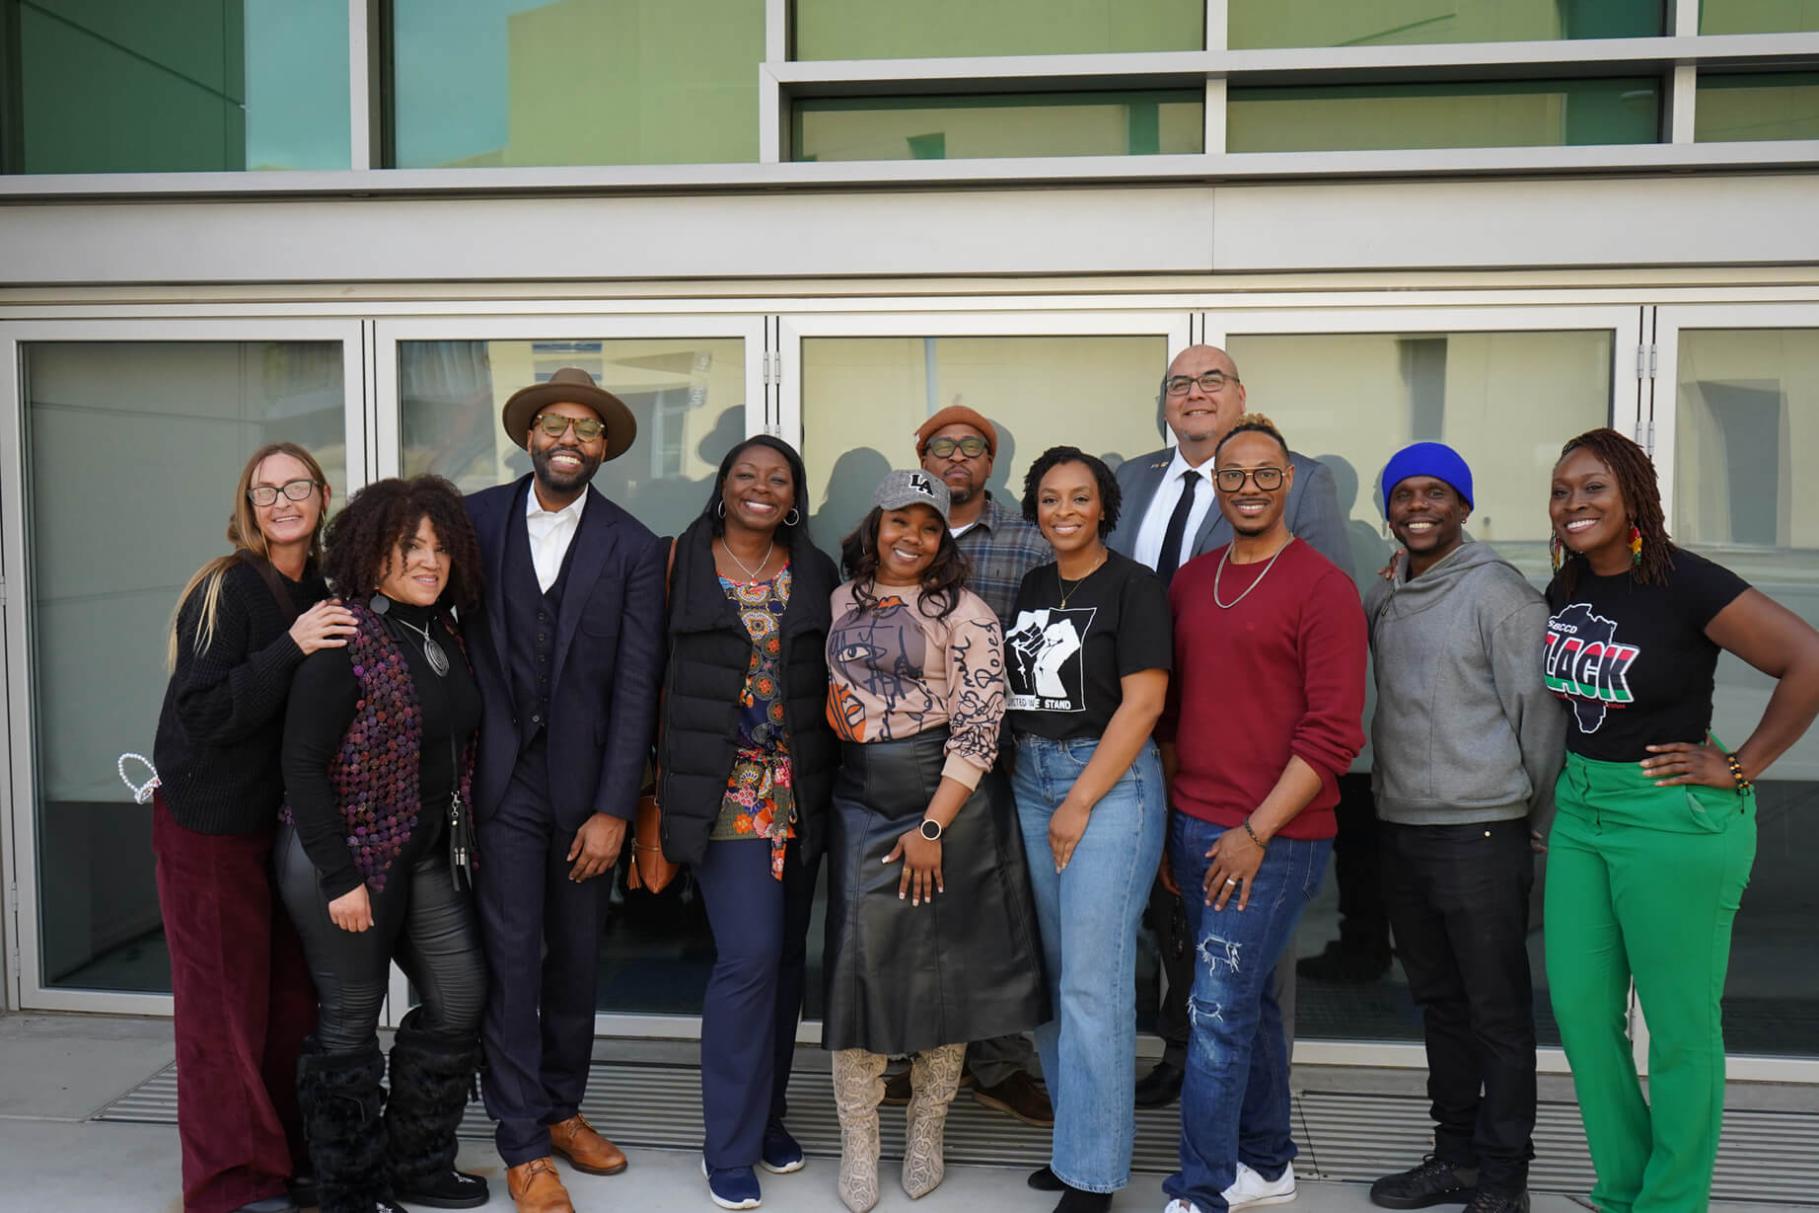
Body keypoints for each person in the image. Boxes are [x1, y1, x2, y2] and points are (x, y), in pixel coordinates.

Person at [1543, 427, 1819, 1213]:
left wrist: (1739, 765)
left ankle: (1671, 1201)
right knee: (1582, 1014)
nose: (1573, 503)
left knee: (1677, 1026)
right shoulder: (1567, 585)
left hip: (1670, 817)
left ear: (1633, 491)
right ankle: (1625, 1184)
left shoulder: (1684, 582)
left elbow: (1806, 658)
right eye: (1561, 491)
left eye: (1591, 487)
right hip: (1581, 813)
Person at [1108, 344, 1350, 1108]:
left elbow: (1326, 610)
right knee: (1171, 915)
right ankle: (1184, 1056)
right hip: (1149, 738)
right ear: (1165, 403)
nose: (1195, 393)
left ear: (1240, 395)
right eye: (1180, 383)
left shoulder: (1299, 477)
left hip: (1256, 761)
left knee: (1250, 955)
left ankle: (1251, 1107)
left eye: (1213, 380)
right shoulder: (1130, 480)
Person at [462, 367, 667, 1213]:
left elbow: (636, 685)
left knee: (578, 959)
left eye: (586, 427)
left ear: (605, 446)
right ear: (529, 435)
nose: (569, 438)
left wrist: (616, 806)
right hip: (499, 780)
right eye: (555, 423)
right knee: (512, 960)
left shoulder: (633, 544)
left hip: (586, 789)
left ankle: (559, 1106)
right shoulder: (472, 522)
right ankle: (519, 1141)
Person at [821, 470, 1046, 1213]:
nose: (911, 537)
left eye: (927, 525)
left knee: (940, 978)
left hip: (942, 803)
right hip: (859, 800)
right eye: (898, 522)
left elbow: (980, 728)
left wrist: (930, 826)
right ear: (875, 527)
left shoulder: (968, 611)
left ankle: (926, 1130)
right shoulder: (841, 598)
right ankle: (859, 1140)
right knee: (860, 974)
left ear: (941, 536)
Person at [1159, 414, 1366, 1213]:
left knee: (1214, 1008)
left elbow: (1333, 734)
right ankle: (1267, 1161)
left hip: (1274, 837)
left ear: (1291, 483)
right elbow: (1173, 715)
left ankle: (1200, 1187)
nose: (1248, 486)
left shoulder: (1322, 586)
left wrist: (1252, 832)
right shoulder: (1191, 579)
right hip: (1192, 824)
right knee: (1247, 1000)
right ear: (1215, 485)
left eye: (1265, 473)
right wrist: (1179, 829)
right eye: (1233, 474)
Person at [278, 476, 490, 1213]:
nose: (429, 561)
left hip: (424, 848)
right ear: (371, 557)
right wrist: (340, 876)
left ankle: (417, 1162)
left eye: (440, 548)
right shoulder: (344, 637)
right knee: (349, 1017)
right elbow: (300, 765)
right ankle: (349, 1190)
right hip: (340, 858)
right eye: (411, 548)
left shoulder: (441, 631)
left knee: (460, 997)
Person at [151, 442, 354, 1213]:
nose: (281, 501)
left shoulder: (327, 587)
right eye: (264, 490)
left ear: (322, 494)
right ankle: (229, 1183)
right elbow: (203, 709)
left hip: (276, 827)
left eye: (296, 485)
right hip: (206, 825)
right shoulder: (229, 587)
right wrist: (290, 648)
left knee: (287, 1001)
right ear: (248, 506)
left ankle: (284, 1154)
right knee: (221, 1009)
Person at [1363, 443, 1563, 1213]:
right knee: (1439, 1005)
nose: (1418, 505)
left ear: (1462, 506)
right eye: (1404, 493)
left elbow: (1540, 730)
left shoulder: (1502, 597)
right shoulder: (1387, 594)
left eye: (1435, 493)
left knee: (1497, 1014)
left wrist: (1528, 827)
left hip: (1482, 834)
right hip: (1402, 827)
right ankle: (1455, 1155)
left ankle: (1503, 1174)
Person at [657, 436, 841, 1211]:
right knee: (750, 957)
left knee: (786, 963)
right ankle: (727, 1144)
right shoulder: (678, 564)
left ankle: (767, 1113)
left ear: (793, 496)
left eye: (777, 479)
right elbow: (643, 672)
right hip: (724, 788)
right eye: (745, 476)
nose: (760, 488)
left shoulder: (816, 570)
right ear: (723, 487)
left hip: (802, 790)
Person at [1005, 447, 1170, 1213]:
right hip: (1029, 780)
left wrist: (1078, 801)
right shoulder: (1033, 585)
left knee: (1092, 982)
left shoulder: (1133, 587)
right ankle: (1077, 1137)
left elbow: (1141, 706)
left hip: (1106, 786)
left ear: (1104, 505)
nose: (1062, 510)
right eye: (1047, 498)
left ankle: (1095, 1172)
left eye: (1078, 497)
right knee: (1048, 971)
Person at [890, 404, 1054, 1128]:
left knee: (996, 919)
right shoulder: (886, 536)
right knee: (905, 913)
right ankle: (905, 1057)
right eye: (941, 447)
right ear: (922, 459)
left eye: (973, 448)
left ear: (992, 464)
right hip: (898, 759)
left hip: (1003, 754)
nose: (956, 458)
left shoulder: (1027, 539)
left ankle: (999, 1065)